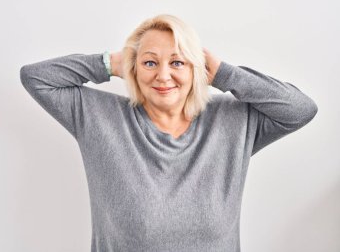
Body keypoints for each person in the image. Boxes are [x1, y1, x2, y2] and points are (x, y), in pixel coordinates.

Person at [20, 14, 318, 252]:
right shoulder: (98, 117)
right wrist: (110, 63)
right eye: (150, 62)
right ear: (133, 68)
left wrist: (225, 73)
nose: (163, 75)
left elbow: (301, 109)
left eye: (177, 62)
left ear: (196, 69)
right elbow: (35, 78)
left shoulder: (234, 121)